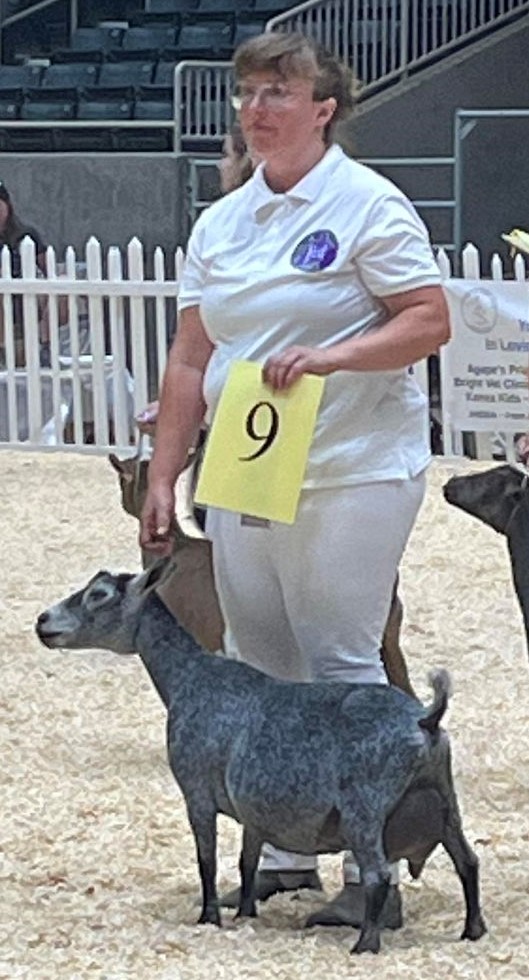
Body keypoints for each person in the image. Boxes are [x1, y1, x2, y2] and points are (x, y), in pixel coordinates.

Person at [140, 31, 451, 929]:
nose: (256, 108)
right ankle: (282, 858)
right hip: (247, 467)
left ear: (324, 109)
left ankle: (372, 876)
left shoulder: (367, 205)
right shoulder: (222, 222)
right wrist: (164, 476)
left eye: (278, 92)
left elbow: (427, 319)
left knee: (342, 660)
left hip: (354, 467)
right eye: (246, 93)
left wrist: (331, 357)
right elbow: (190, 358)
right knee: (259, 660)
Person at [0, 181, 51, 369]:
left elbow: (48, 270)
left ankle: (45, 345)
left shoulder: (25, 234)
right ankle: (3, 350)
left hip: (26, 297)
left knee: (59, 292)